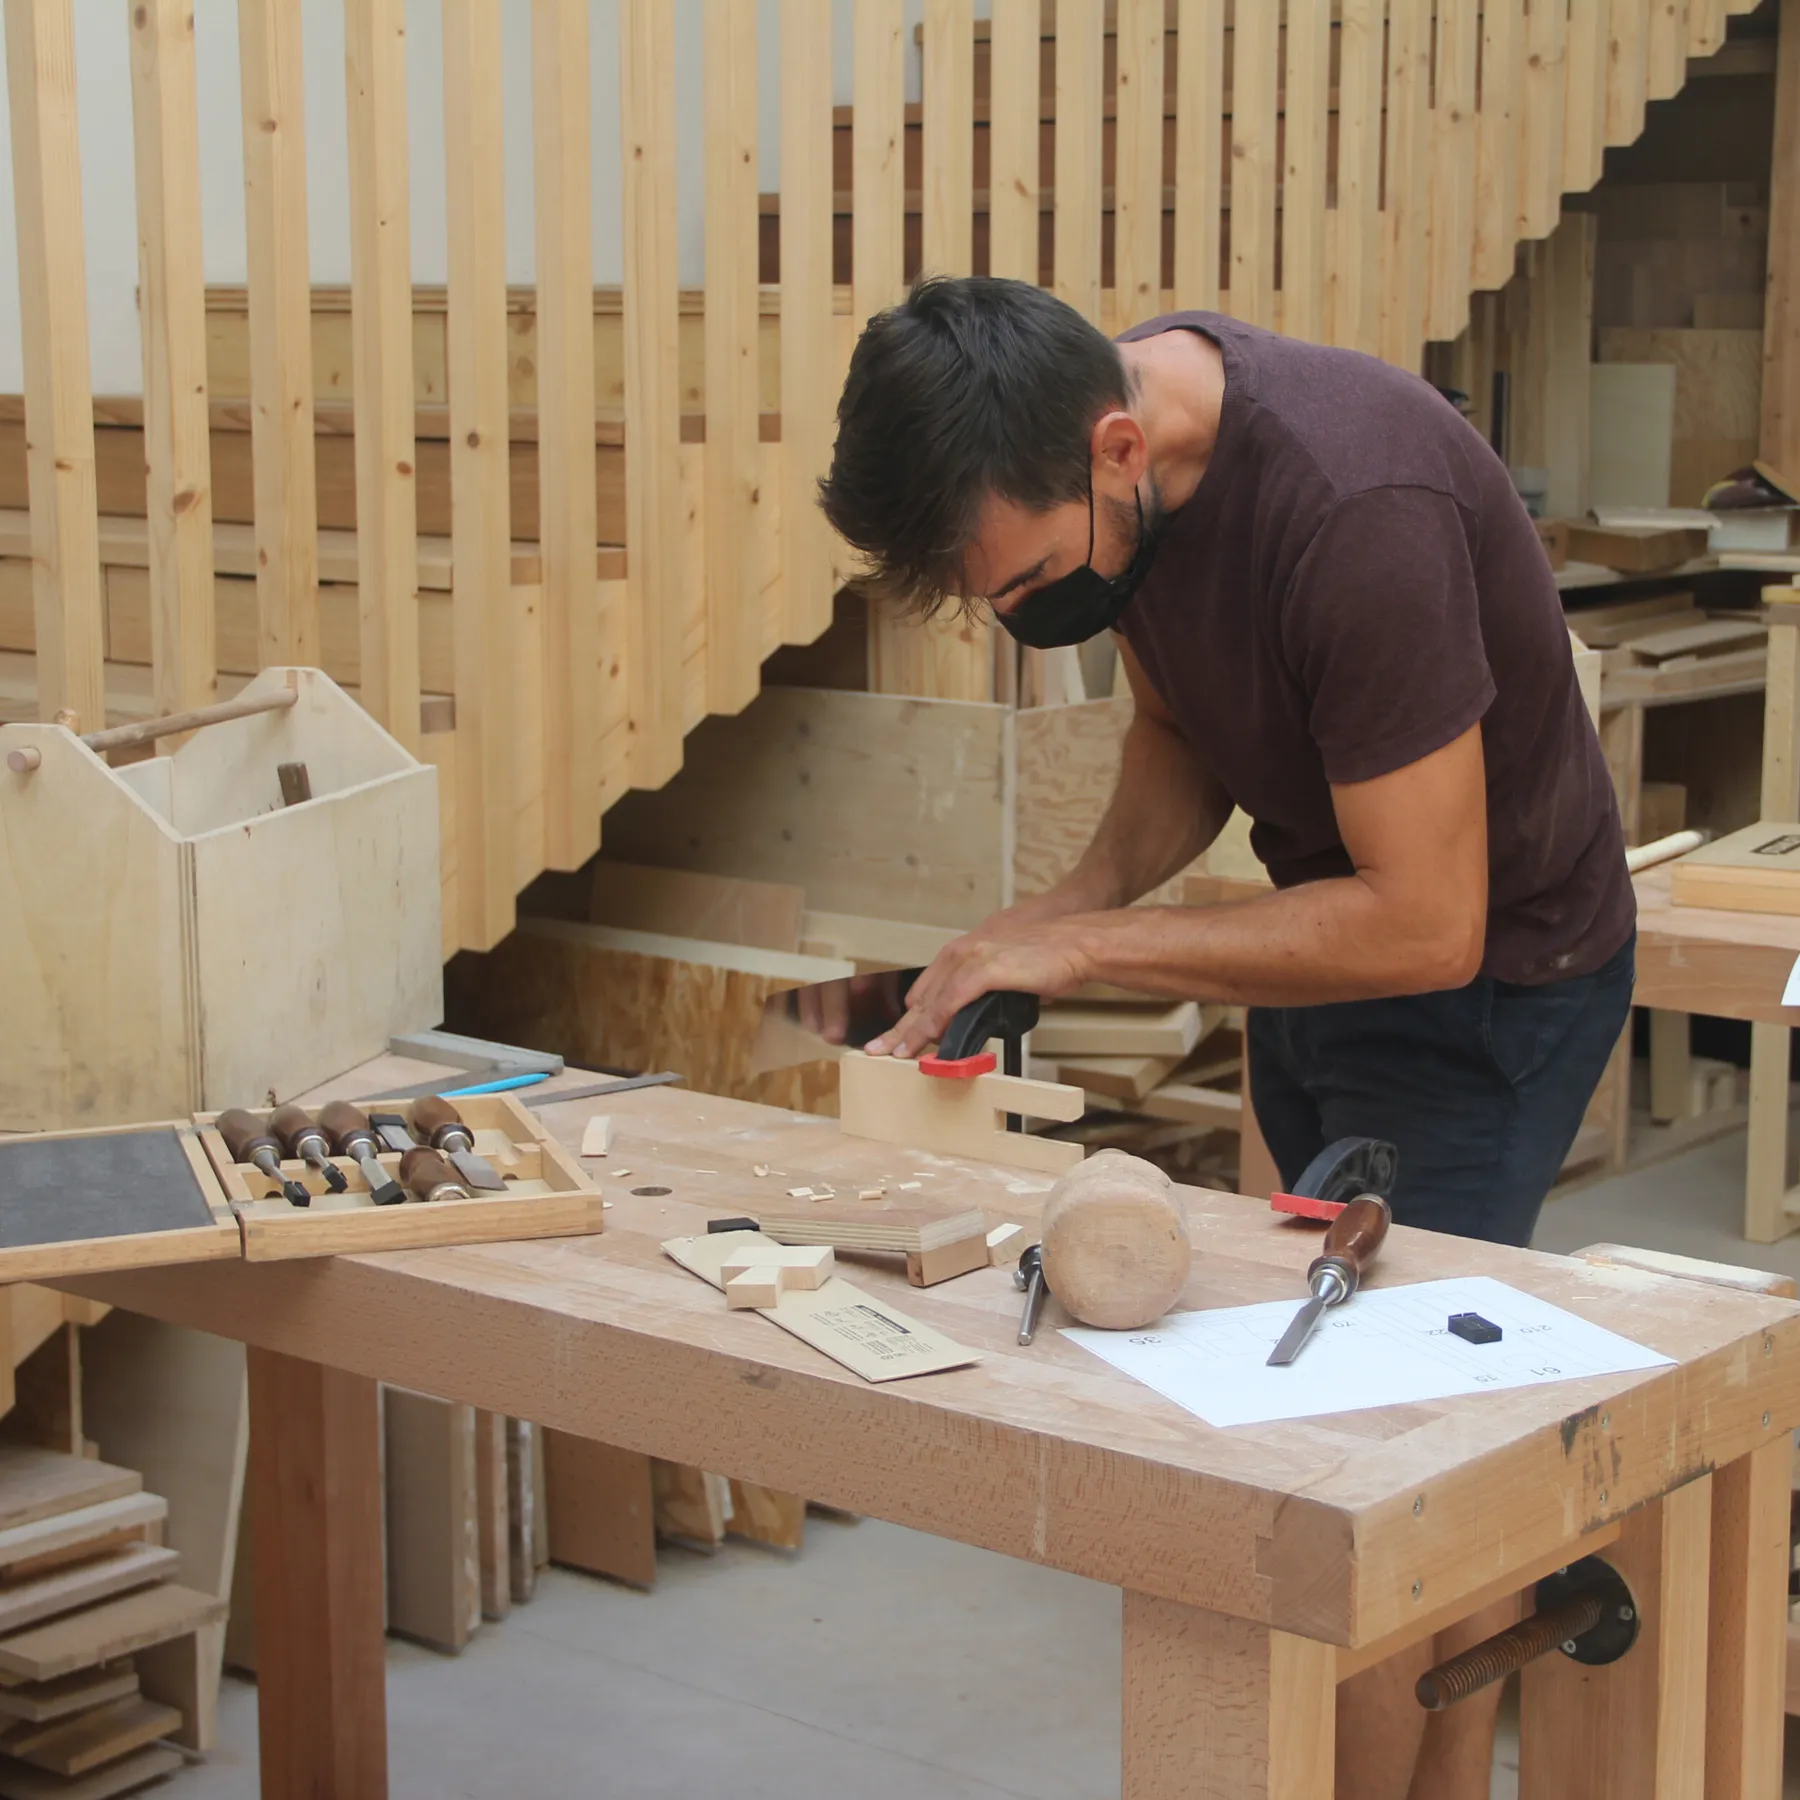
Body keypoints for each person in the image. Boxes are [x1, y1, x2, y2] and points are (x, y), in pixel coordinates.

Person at [818, 276, 1635, 1800]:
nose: (1029, 614)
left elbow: (1425, 921)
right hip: (1326, 953)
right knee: (1304, 1404)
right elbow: (1181, 729)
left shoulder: (1354, 507)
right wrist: (1052, 913)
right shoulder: (1129, 488)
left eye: (1038, 578)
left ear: (1118, 446)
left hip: (1490, 982)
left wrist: (1094, 946)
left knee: (1385, 1466)